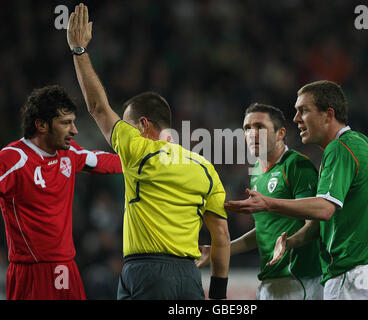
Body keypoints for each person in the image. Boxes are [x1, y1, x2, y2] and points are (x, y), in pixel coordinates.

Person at [67, 4, 230, 300]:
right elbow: (220, 236)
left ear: (143, 125)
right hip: (190, 277)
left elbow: (97, 108)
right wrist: (217, 296)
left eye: (127, 124)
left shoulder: (138, 149)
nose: (122, 131)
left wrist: (79, 50)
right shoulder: (206, 168)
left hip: (147, 273)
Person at [225, 80, 368, 300]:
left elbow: (324, 209)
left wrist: (268, 203)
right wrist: (290, 242)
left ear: (328, 114)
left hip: (354, 272)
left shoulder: (339, 148)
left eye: (303, 111)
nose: (296, 118)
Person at [0, 85, 122, 300]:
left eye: (73, 122)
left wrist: (146, 160)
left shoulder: (69, 152)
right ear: (41, 125)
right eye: (66, 123)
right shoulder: (13, 159)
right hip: (31, 272)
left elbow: (103, 161)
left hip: (65, 268)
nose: (74, 130)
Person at [196, 103, 323, 300]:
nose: (252, 134)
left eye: (260, 127)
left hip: (298, 280)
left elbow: (314, 224)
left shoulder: (297, 166)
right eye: (247, 128)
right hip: (270, 281)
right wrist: (220, 250)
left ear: (280, 133)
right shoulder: (256, 171)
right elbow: (264, 230)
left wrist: (288, 244)